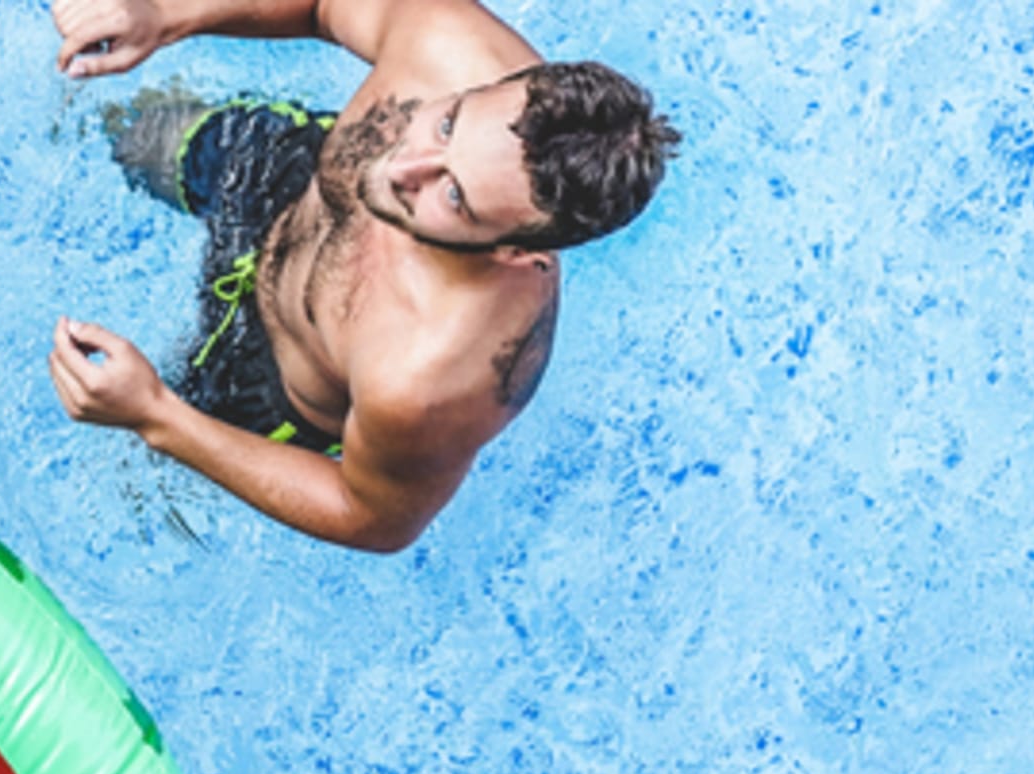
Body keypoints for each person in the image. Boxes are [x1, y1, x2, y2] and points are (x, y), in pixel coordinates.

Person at [40, 0, 678, 551]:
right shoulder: (449, 45)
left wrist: (157, 416)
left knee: (126, 483)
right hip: (281, 178)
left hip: (267, 379)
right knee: (120, 132)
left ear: (514, 253)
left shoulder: (435, 374)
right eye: (448, 122)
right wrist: (168, 15)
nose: (404, 165)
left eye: (453, 196)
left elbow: (373, 517)